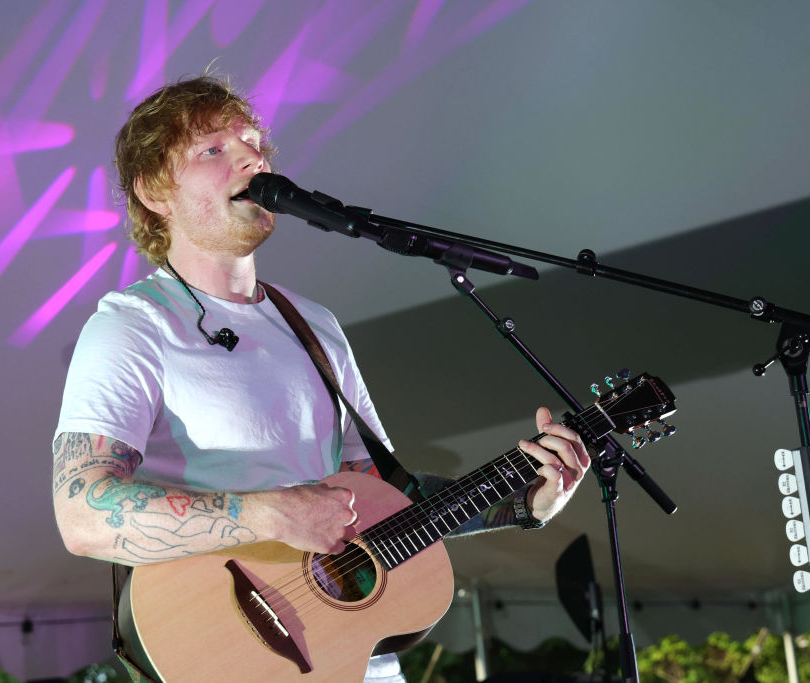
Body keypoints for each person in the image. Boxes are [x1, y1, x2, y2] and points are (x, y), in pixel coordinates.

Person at [52, 72, 590, 682]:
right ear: (154, 191)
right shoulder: (133, 326)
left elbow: (382, 498)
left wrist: (522, 500)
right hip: (228, 655)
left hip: (358, 655)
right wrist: (265, 516)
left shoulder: (313, 324)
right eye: (213, 150)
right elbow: (84, 515)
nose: (251, 158)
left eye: (253, 143)